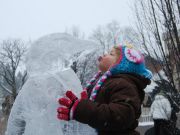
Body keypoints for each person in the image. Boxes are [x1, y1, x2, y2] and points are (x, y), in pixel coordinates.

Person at [57, 44, 152, 135]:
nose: (105, 54)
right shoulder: (103, 83)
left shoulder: (124, 84)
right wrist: (75, 109)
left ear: (122, 65)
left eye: (111, 54)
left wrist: (81, 109)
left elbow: (120, 115)